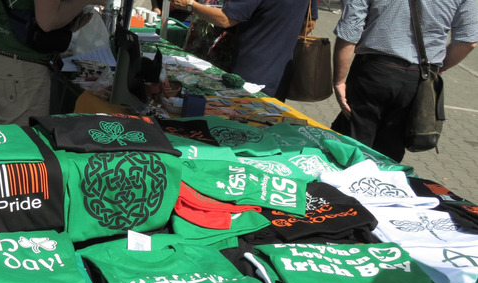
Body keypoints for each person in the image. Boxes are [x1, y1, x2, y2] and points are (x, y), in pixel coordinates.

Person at [331, 0, 478, 163]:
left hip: (373, 70)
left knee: (351, 147)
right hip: (419, 79)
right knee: (389, 154)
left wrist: (339, 80)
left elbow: (349, 30)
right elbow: (467, 41)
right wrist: (438, 69)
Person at [0, 0, 103, 126]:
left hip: (2, 61)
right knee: (22, 141)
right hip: (21, 71)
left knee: (6, 138)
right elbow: (47, 22)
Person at [169, 0, 311, 100]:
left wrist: (190, 5)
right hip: (280, 75)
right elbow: (310, 23)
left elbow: (225, 19)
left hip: (249, 74)